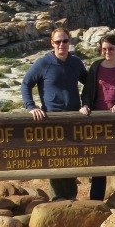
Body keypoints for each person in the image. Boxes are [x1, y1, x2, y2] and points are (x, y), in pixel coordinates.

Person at [21, 27, 87, 200]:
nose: (61, 45)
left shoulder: (76, 63)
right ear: (52, 43)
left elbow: (90, 84)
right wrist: (31, 106)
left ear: (69, 42)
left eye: (65, 41)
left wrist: (86, 103)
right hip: (52, 119)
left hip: (73, 118)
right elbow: (26, 84)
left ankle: (71, 198)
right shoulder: (43, 63)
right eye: (58, 41)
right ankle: (58, 199)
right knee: (56, 159)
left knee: (72, 158)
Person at [79, 34, 115, 199]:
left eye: (111, 49)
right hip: (98, 120)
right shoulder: (96, 66)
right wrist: (85, 105)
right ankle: (96, 201)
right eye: (104, 49)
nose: (107, 52)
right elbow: (87, 91)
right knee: (100, 160)